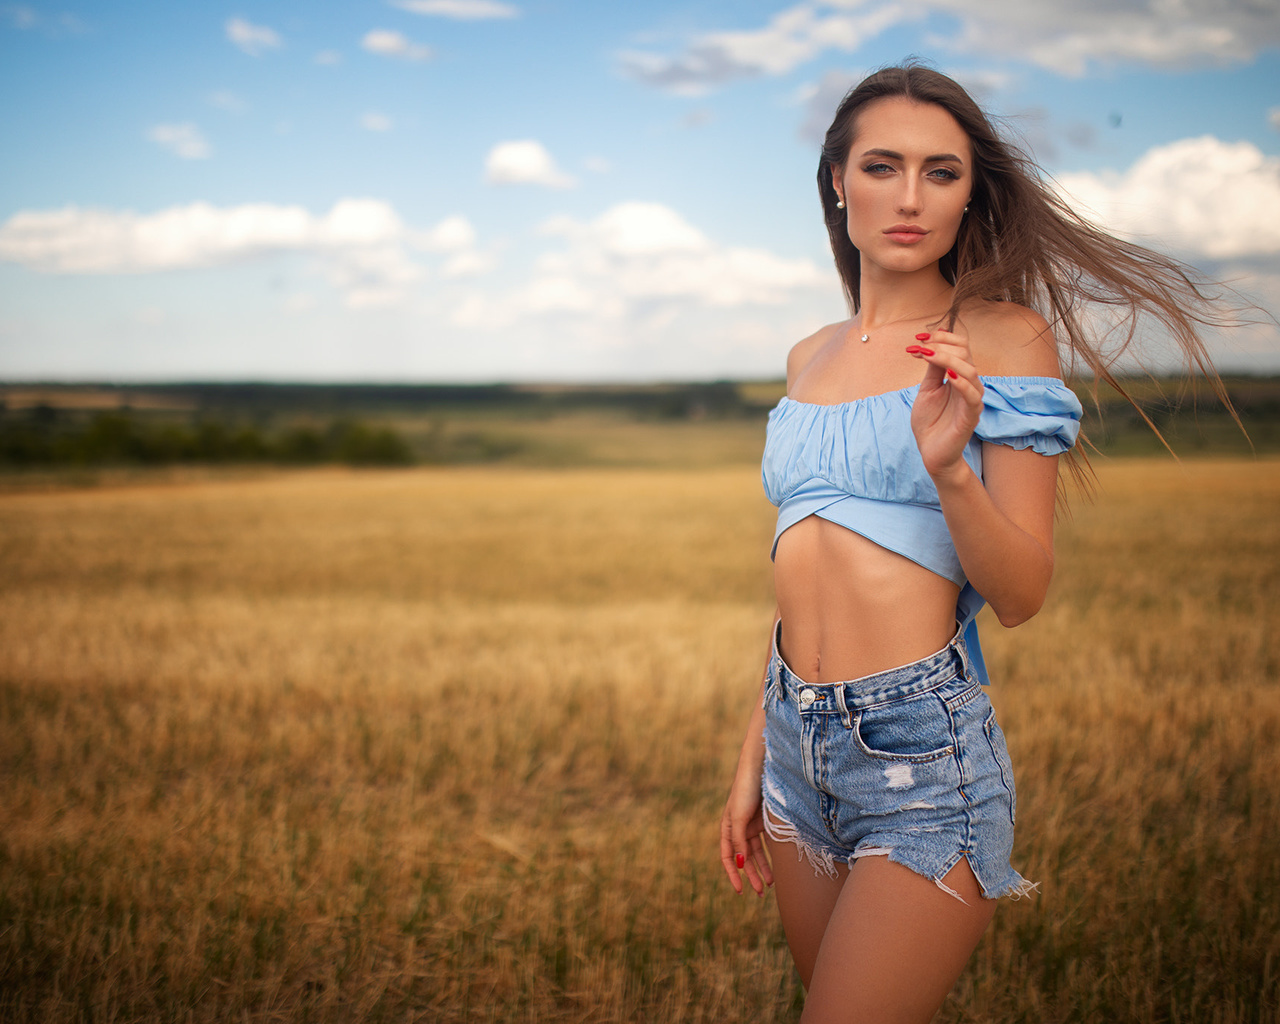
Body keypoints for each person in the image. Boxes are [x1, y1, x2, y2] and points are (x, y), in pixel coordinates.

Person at [718, 62, 1240, 1023]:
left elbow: (1022, 591)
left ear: (971, 192)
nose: (910, 198)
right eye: (883, 166)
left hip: (920, 750)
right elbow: (803, 566)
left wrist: (951, 467)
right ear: (838, 180)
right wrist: (758, 748)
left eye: (941, 172)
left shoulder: (1001, 341)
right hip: (798, 742)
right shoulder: (809, 357)